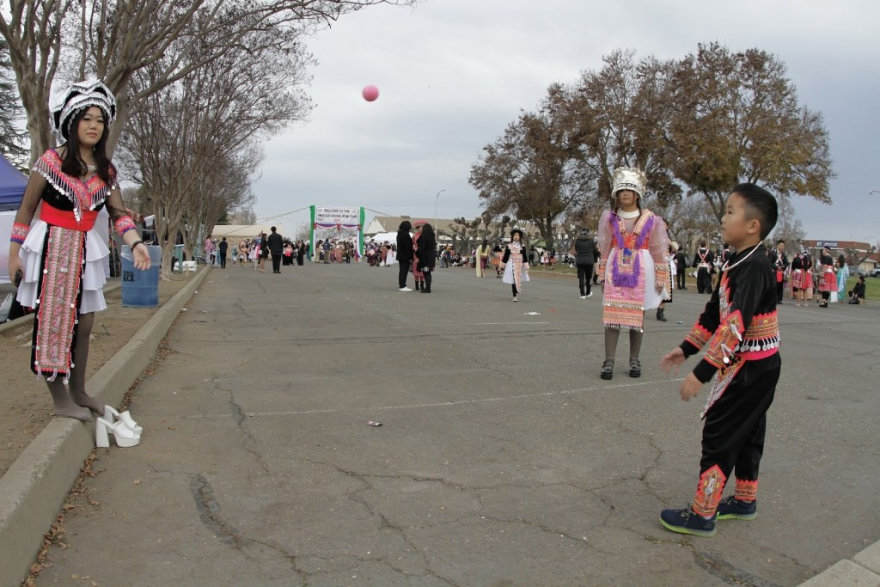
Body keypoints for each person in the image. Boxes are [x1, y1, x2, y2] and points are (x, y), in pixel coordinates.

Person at [7, 79, 151, 423]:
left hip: (85, 250)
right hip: (51, 247)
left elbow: (117, 214)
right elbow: (26, 209)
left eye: (100, 120)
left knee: (84, 324)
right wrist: (14, 253)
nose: (93, 126)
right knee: (56, 323)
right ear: (73, 123)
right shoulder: (50, 162)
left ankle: (79, 391)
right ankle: (59, 400)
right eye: (87, 118)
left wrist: (136, 243)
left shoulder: (105, 171)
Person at [658, 183, 781, 538]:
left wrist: (702, 372)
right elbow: (715, 311)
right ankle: (744, 501)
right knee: (748, 431)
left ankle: (703, 513)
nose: (722, 218)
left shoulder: (756, 265)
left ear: (753, 225)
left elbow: (735, 324)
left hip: (751, 368)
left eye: (729, 211)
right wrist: (687, 348)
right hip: (754, 366)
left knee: (721, 433)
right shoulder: (736, 260)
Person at [596, 167, 670, 379]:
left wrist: (661, 276)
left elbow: (657, 249)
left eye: (629, 189)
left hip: (642, 269)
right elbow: (605, 248)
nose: (625, 193)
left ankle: (634, 360)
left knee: (638, 316)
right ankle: (608, 360)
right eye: (621, 190)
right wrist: (602, 275)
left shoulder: (651, 220)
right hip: (615, 268)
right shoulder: (610, 218)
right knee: (612, 315)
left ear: (637, 194)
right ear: (616, 195)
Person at [500, 227, 530, 302]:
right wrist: (501, 266)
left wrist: (526, 266)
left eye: (518, 235)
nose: (516, 237)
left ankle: (516, 290)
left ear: (520, 237)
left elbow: (525, 257)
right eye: (515, 235)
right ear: (512, 237)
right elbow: (505, 257)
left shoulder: (522, 246)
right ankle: (514, 296)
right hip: (512, 264)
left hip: (520, 264)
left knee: (518, 279)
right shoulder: (509, 246)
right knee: (514, 280)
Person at [574, 228, 598, 299]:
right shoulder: (591, 241)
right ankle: (588, 292)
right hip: (589, 262)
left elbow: (576, 250)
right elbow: (595, 251)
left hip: (580, 262)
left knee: (581, 278)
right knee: (588, 278)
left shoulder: (577, 241)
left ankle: (582, 294)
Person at [657, 243, 676, 321]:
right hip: (659, 265)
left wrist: (673, 251)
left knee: (667, 291)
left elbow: (672, 251)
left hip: (667, 267)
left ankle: (660, 311)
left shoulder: (668, 240)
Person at [416, 223, 436, 293]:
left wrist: (417, 254)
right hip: (430, 257)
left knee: (425, 273)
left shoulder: (423, 237)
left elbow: (421, 248)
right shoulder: (432, 237)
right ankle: (428, 287)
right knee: (428, 273)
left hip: (424, 258)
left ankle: (427, 288)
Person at [767, 239, 787, 304]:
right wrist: (776, 267)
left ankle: (779, 299)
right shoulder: (772, 253)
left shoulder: (783, 254)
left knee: (780, 286)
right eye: (781, 246)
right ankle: (773, 299)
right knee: (774, 285)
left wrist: (783, 267)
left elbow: (786, 262)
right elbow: (769, 262)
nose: (782, 247)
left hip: (781, 272)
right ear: (778, 245)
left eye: (783, 246)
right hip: (774, 272)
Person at [396, 220, 414, 291]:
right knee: (404, 270)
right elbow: (408, 247)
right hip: (405, 256)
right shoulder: (406, 235)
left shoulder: (399, 234)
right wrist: (410, 257)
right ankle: (402, 285)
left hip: (400, 255)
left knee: (402, 270)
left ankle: (402, 284)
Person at [411, 221, 427, 291]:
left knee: (423, 270)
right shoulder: (415, 236)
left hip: (424, 254)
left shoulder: (426, 235)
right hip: (416, 254)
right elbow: (412, 244)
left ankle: (422, 285)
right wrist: (414, 248)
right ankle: (416, 285)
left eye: (422, 227)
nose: (421, 229)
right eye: (420, 227)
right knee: (416, 270)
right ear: (417, 228)